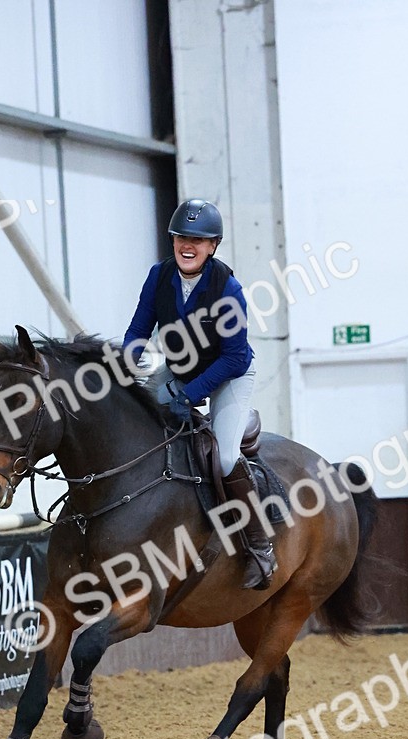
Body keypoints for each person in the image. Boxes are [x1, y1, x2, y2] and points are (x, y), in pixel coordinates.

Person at [122, 199, 276, 590]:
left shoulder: (228, 288)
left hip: (229, 374)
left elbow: (234, 358)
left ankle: (260, 545)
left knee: (225, 457)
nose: (187, 245)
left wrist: (189, 393)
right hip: (181, 366)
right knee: (133, 411)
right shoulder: (159, 276)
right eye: (180, 238)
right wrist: (123, 367)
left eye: (197, 239)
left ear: (213, 246)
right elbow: (139, 329)